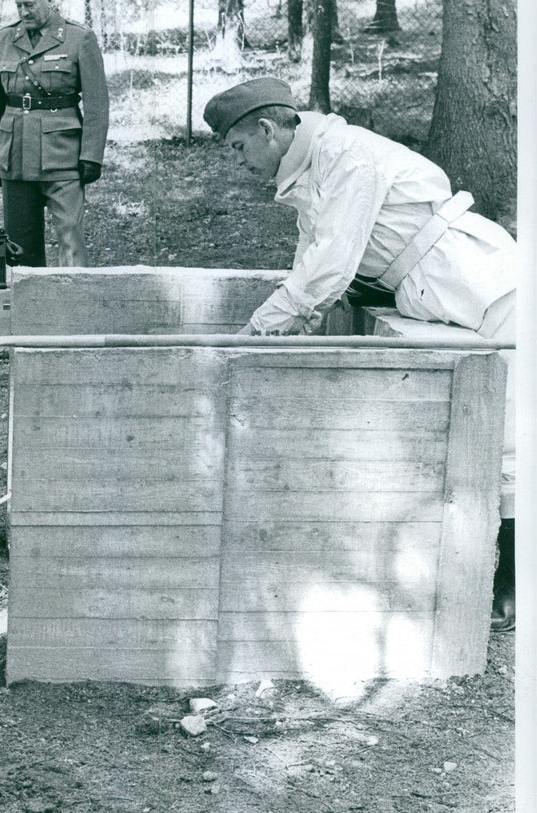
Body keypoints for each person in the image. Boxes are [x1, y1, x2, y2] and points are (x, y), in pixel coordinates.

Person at [203, 77, 517, 631]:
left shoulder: (347, 157)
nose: (238, 162)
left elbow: (329, 269)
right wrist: (287, 326)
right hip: (434, 297)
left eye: (238, 147)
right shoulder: (310, 166)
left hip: (489, 286)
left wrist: (254, 332)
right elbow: (313, 265)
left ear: (268, 130)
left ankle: (511, 586)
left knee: (514, 438)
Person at [0, 0, 109, 268]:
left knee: (70, 237)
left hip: (62, 154)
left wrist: (92, 155)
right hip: (14, 154)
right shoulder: (4, 39)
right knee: (19, 245)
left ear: (50, 0)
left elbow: (97, 103)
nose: (24, 12)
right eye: (19, 6)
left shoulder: (79, 38)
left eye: (30, 4)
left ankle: (73, 304)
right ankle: (29, 309)